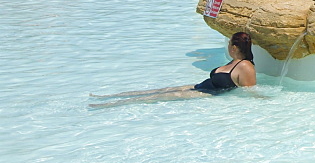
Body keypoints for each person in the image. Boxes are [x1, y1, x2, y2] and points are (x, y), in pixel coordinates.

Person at [89, 33, 257, 108]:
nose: (228, 48)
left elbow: (249, 91)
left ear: (234, 47)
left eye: (229, 45)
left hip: (207, 93)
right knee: (156, 91)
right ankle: (108, 97)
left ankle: (107, 105)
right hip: (200, 86)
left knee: (156, 98)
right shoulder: (233, 62)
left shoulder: (245, 66)